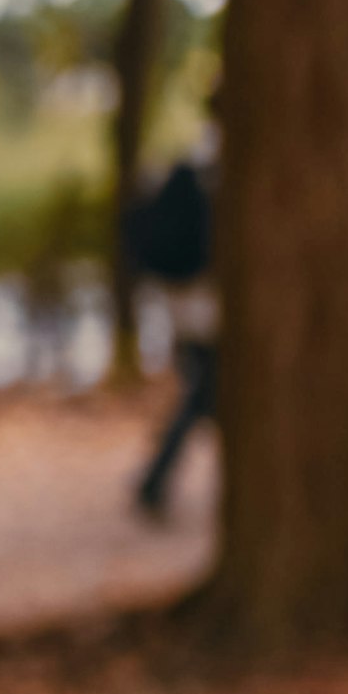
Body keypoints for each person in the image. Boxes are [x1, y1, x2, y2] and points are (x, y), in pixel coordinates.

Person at [125, 150, 216, 524]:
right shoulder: (214, 177)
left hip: (180, 311)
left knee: (200, 400)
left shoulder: (185, 174)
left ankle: (155, 478)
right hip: (209, 313)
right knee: (200, 401)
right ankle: (154, 479)